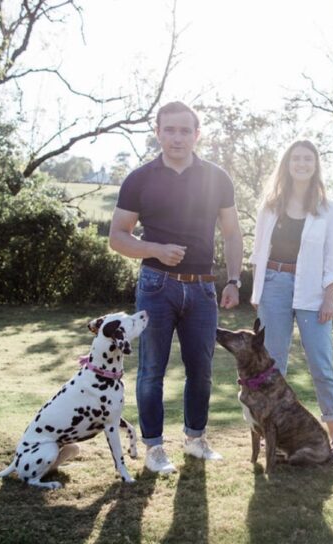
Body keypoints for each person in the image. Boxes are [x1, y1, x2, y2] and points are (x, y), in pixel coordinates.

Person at [109, 101, 243, 475]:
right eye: (170, 130)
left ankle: (196, 439)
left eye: (185, 130)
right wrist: (154, 250)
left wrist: (233, 279)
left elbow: (232, 234)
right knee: (152, 369)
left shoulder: (218, 178)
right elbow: (117, 237)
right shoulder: (139, 179)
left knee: (200, 369)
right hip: (156, 286)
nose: (177, 137)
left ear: (197, 134)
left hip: (203, 288)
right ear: (158, 132)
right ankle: (154, 448)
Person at [249, 139, 333, 459]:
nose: (302, 163)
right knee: (271, 365)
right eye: (296, 159)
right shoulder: (270, 205)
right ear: (287, 164)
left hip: (312, 291)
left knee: (321, 364)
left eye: (308, 159)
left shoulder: (327, 208)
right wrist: (258, 291)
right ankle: (270, 434)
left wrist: (329, 298)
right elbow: (258, 251)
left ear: (315, 164)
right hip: (274, 285)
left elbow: (332, 258)